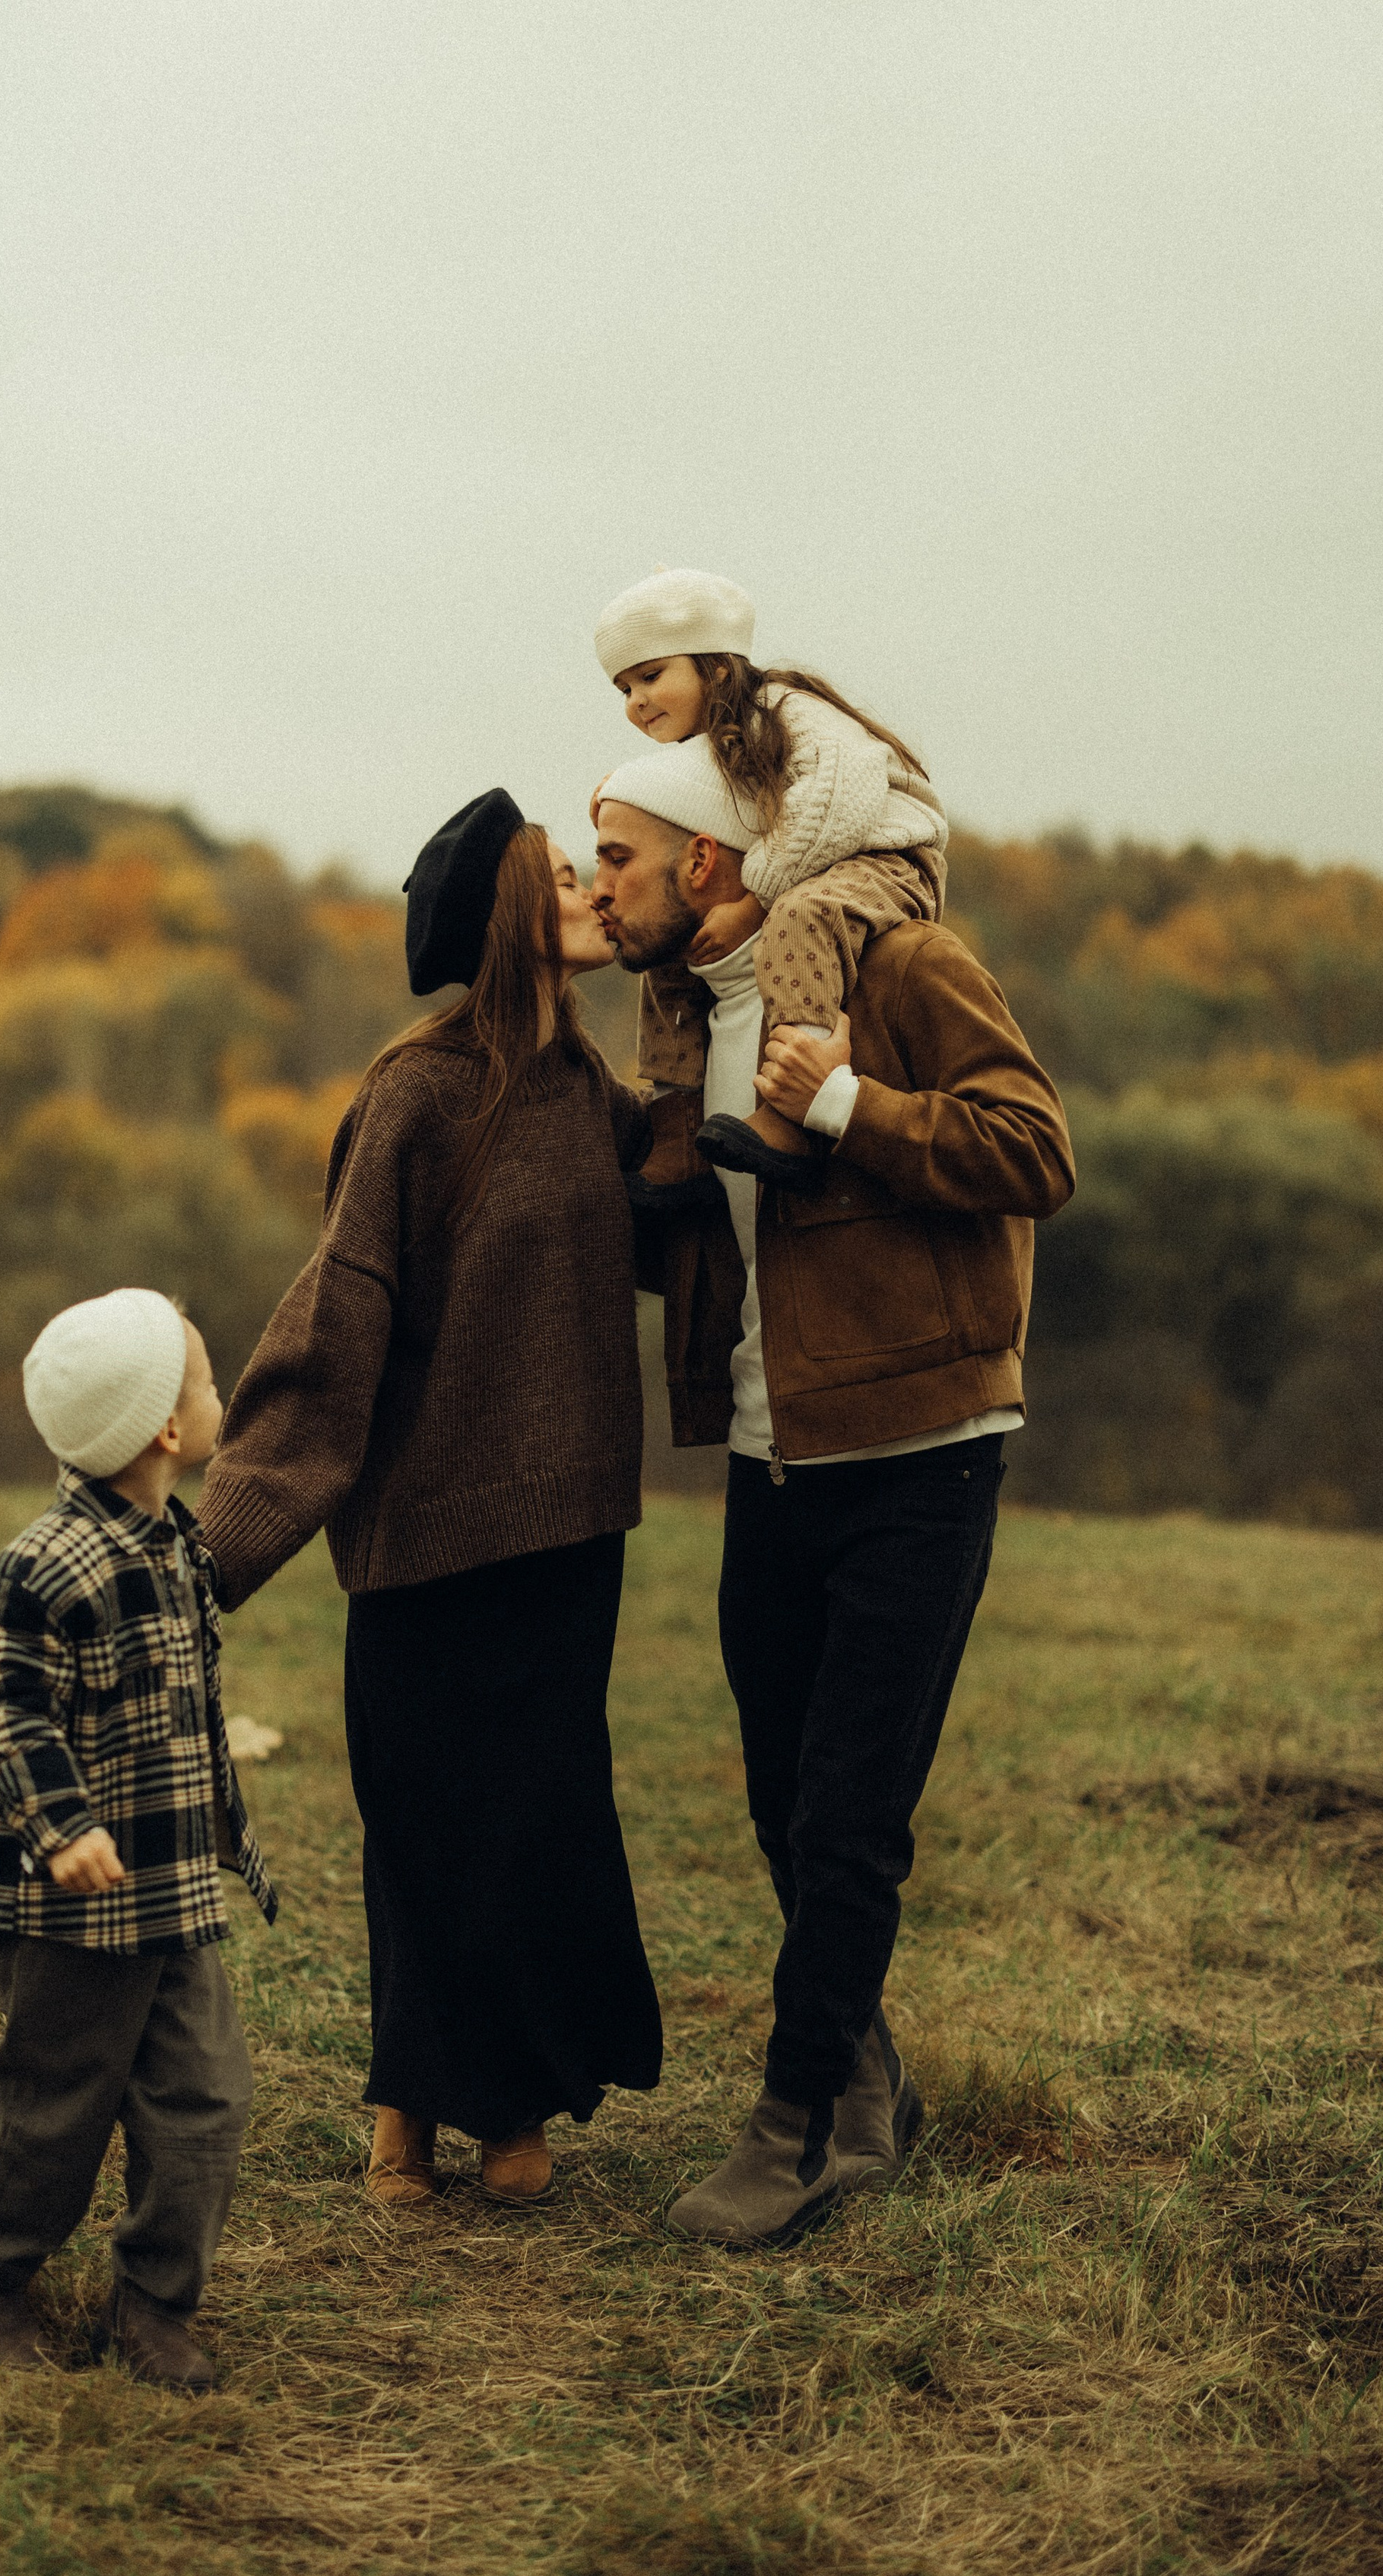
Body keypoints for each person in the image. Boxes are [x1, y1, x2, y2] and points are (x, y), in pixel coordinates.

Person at [590, 751, 1074, 2248]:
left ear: (711, 864)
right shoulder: (685, 1022)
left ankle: (799, 2130)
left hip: (921, 1448)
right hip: (766, 1457)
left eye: (618, 852)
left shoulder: (899, 966)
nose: (596, 876)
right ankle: (862, 2082)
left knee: (849, 1815)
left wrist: (854, 1100)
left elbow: (1031, 1150)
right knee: (779, 1805)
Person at [198, 791, 663, 2210]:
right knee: (421, 1824)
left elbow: (702, 1190)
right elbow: (334, 1321)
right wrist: (205, 1552)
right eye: (563, 875)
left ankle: (508, 2106)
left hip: (569, 1537)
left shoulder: (595, 1099)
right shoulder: (416, 1096)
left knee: (531, 1821)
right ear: (515, 917)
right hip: (418, 1540)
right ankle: (408, 2099)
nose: (589, 887)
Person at [0, 1288, 277, 2385]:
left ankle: (153, 2305)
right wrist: (62, 1825)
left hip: (170, 1897)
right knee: (56, 2109)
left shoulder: (179, 1548)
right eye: (208, 1379)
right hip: (66, 1908)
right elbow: (3, 1711)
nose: (224, 1395)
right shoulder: (45, 1566)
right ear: (168, 1431)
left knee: (206, 2101)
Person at [591, 565, 947, 1187]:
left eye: (651, 676)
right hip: (814, 862)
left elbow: (836, 801)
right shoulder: (710, 743)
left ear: (720, 668)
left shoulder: (786, 711)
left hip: (884, 854)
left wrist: (757, 899)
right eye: (624, 689)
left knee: (800, 917)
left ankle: (793, 1106)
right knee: (666, 943)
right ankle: (676, 1118)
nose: (638, 701)